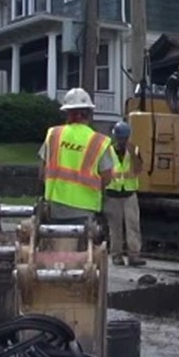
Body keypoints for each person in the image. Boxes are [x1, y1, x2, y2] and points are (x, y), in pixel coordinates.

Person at [38, 88, 114, 225]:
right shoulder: (99, 141)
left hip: (55, 208)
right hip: (85, 209)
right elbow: (107, 178)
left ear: (67, 113)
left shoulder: (54, 134)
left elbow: (41, 173)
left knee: (54, 245)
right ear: (89, 113)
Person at [103, 119, 143, 266]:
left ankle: (134, 255)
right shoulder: (108, 151)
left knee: (133, 225)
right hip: (113, 194)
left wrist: (132, 155)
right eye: (120, 138)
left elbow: (138, 170)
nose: (122, 141)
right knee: (115, 227)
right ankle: (116, 255)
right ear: (115, 137)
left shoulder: (134, 150)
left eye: (124, 138)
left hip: (129, 194)